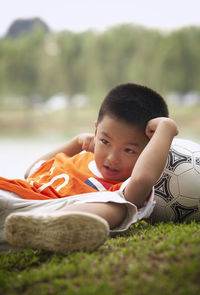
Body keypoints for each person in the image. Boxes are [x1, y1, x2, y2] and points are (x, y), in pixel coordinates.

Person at [0, 83, 178, 253]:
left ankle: (52, 225)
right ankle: (44, 224)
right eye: (105, 141)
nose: (111, 158)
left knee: (121, 207)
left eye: (129, 150)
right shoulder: (75, 159)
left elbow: (143, 179)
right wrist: (76, 143)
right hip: (13, 196)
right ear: (95, 131)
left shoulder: (125, 189)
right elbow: (32, 171)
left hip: (49, 213)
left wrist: (165, 129)